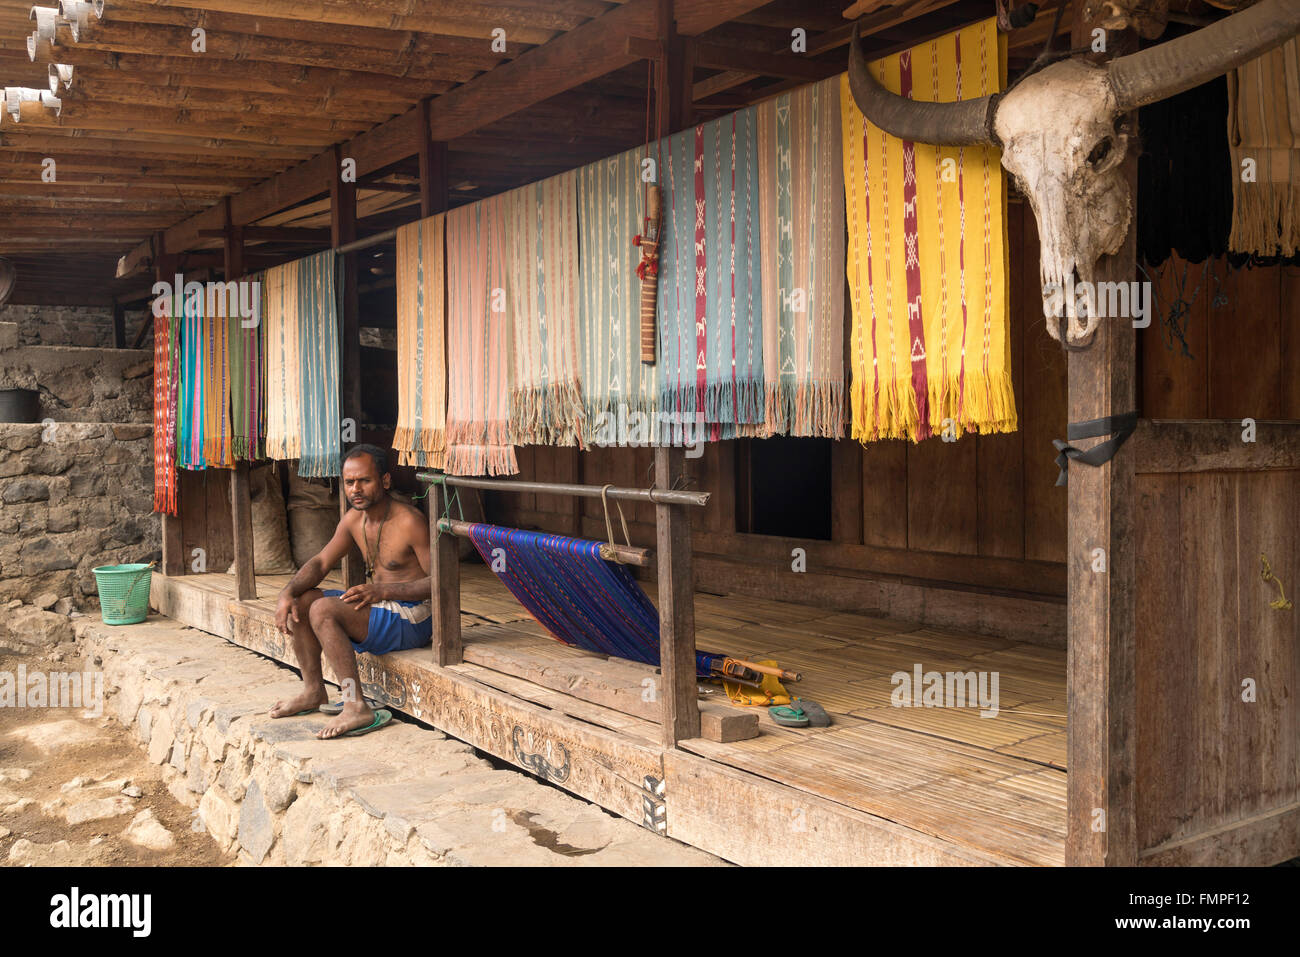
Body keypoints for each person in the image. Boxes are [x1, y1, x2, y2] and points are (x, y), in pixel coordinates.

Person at [270, 444, 432, 739]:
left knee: (322, 609)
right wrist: (286, 593)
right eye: (349, 482)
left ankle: (355, 704)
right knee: (303, 601)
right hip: (382, 606)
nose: (355, 489)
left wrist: (383, 590)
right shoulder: (354, 520)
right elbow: (320, 563)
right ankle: (313, 690)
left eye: (365, 481)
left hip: (413, 616)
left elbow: (441, 582)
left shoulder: (409, 521)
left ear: (384, 481)